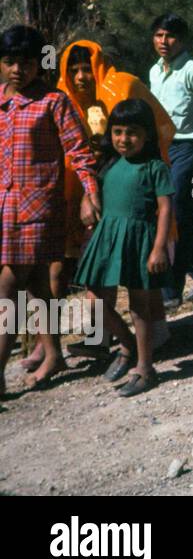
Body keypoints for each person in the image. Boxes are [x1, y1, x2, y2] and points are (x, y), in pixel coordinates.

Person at [0, 26, 99, 395]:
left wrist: (90, 193)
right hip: (5, 210)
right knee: (40, 286)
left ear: (37, 65)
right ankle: (54, 354)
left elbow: (78, 150)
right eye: (9, 62)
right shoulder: (0, 102)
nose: (16, 70)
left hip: (39, 209)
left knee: (8, 286)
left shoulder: (53, 101)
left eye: (25, 63)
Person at [73, 99, 174, 397]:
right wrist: (86, 202)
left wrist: (158, 249)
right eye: (117, 132)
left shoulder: (155, 167)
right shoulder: (110, 164)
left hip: (139, 240)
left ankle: (145, 368)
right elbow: (91, 190)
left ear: (147, 135)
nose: (123, 139)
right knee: (95, 297)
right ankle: (127, 343)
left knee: (139, 306)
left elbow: (166, 209)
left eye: (132, 133)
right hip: (108, 238)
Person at [147, 13, 193, 306]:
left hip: (186, 148)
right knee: (166, 214)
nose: (164, 42)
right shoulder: (154, 71)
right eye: (159, 35)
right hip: (160, 150)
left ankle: (171, 291)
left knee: (176, 212)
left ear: (183, 39)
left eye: (170, 36)